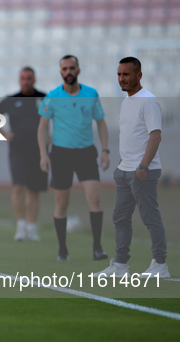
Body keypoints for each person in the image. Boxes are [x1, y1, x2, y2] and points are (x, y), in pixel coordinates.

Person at [94, 57, 169, 278]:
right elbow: (132, 135)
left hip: (142, 171)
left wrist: (143, 165)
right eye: (119, 74)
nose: (121, 79)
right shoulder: (127, 101)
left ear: (139, 75)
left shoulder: (149, 101)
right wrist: (123, 160)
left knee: (150, 217)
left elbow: (155, 136)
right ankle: (120, 265)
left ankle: (160, 265)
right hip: (125, 169)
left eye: (126, 74)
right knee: (120, 218)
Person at [37, 55, 110, 261]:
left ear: (78, 70)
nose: (68, 72)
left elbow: (101, 123)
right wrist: (44, 154)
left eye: (72, 68)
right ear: (61, 72)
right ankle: (62, 250)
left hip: (86, 153)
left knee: (94, 198)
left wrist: (105, 150)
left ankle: (97, 248)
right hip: (60, 154)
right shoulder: (52, 96)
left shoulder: (91, 94)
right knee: (61, 204)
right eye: (65, 69)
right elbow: (42, 127)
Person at [0, 67, 47, 241]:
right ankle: (20, 227)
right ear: (19, 80)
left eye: (29, 78)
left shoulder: (44, 98)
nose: (26, 81)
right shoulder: (11, 100)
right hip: (18, 149)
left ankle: (32, 228)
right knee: (18, 187)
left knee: (34, 189)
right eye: (23, 78)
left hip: (38, 149)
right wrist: (3, 134)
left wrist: (52, 137)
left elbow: (58, 117)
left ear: (34, 79)